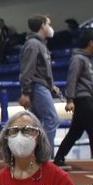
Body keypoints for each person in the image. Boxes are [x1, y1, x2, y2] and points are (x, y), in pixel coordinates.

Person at [54, 29, 93, 170]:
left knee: (75, 133)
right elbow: (72, 79)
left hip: (86, 98)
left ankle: (58, 158)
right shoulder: (78, 59)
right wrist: (69, 99)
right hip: (83, 99)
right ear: (90, 42)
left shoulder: (88, 58)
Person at [18, 14, 63, 151]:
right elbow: (28, 69)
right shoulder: (33, 44)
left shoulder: (39, 44)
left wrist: (51, 86)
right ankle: (44, 155)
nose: (50, 27)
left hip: (40, 86)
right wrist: (25, 92)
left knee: (36, 123)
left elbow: (40, 69)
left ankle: (33, 153)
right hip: (37, 87)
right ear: (43, 25)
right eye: (48, 24)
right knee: (52, 119)